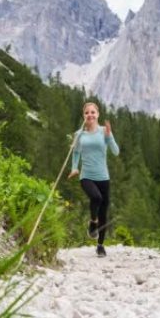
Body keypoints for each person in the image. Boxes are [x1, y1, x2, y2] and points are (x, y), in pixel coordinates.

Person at [68, 102, 120, 257]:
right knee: (96, 197)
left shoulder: (105, 131)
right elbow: (76, 153)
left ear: (98, 114)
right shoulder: (79, 135)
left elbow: (116, 152)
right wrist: (74, 168)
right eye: (86, 113)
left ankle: (100, 245)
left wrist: (109, 136)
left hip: (104, 177)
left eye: (92, 112)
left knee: (104, 212)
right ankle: (92, 222)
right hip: (86, 176)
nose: (90, 115)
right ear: (83, 116)